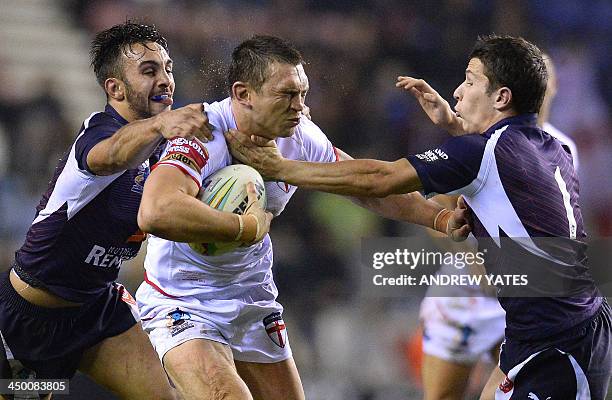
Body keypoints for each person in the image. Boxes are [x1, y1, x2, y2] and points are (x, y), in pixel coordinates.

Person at [226, 35, 611, 399]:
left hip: (559, 342)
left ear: (502, 96)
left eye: (470, 81)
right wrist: (458, 127)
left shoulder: (480, 154)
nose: (457, 91)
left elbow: (380, 179)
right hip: (551, 326)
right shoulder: (554, 145)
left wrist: (281, 166)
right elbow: (509, 157)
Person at [135, 35, 470, 400]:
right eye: (287, 94)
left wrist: (438, 218)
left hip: (252, 300)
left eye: (303, 94)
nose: (300, 106)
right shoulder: (203, 134)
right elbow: (155, 210)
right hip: (183, 301)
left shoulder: (299, 136)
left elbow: (364, 186)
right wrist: (243, 227)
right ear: (244, 94)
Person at [0, 21, 217, 400]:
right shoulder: (98, 133)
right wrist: (162, 124)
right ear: (115, 88)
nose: (165, 79)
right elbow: (112, 156)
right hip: (27, 321)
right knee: (20, 393)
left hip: (99, 311)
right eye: (149, 71)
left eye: (168, 69)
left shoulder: (164, 151)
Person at [417, 53, 582, 400]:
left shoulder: (562, 146)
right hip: (466, 292)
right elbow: (438, 210)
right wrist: (473, 261)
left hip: (523, 302)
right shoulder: (477, 140)